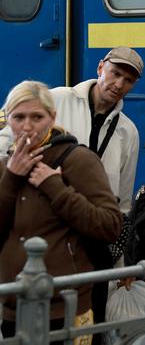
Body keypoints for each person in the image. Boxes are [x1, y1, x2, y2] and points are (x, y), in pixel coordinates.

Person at [0, 80, 122, 341]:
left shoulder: (79, 160)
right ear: (7, 119)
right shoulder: (3, 168)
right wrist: (10, 178)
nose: (27, 126)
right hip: (14, 304)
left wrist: (54, 186)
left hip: (66, 305)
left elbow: (109, 226)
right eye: (18, 117)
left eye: (37, 117)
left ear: (52, 117)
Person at [0, 46, 144, 213]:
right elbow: (5, 139)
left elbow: (124, 196)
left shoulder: (129, 131)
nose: (119, 84)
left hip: (90, 220)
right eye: (115, 73)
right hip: (45, 212)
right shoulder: (56, 98)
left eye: (128, 80)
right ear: (100, 68)